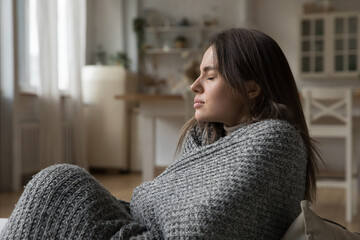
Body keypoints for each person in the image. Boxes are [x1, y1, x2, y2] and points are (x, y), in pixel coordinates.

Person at [0, 28, 320, 239]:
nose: (194, 85)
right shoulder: (204, 137)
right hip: (140, 225)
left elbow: (202, 227)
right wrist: (148, 204)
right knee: (58, 184)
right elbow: (154, 203)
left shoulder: (277, 141)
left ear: (252, 87)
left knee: (60, 184)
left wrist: (147, 203)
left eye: (209, 77)